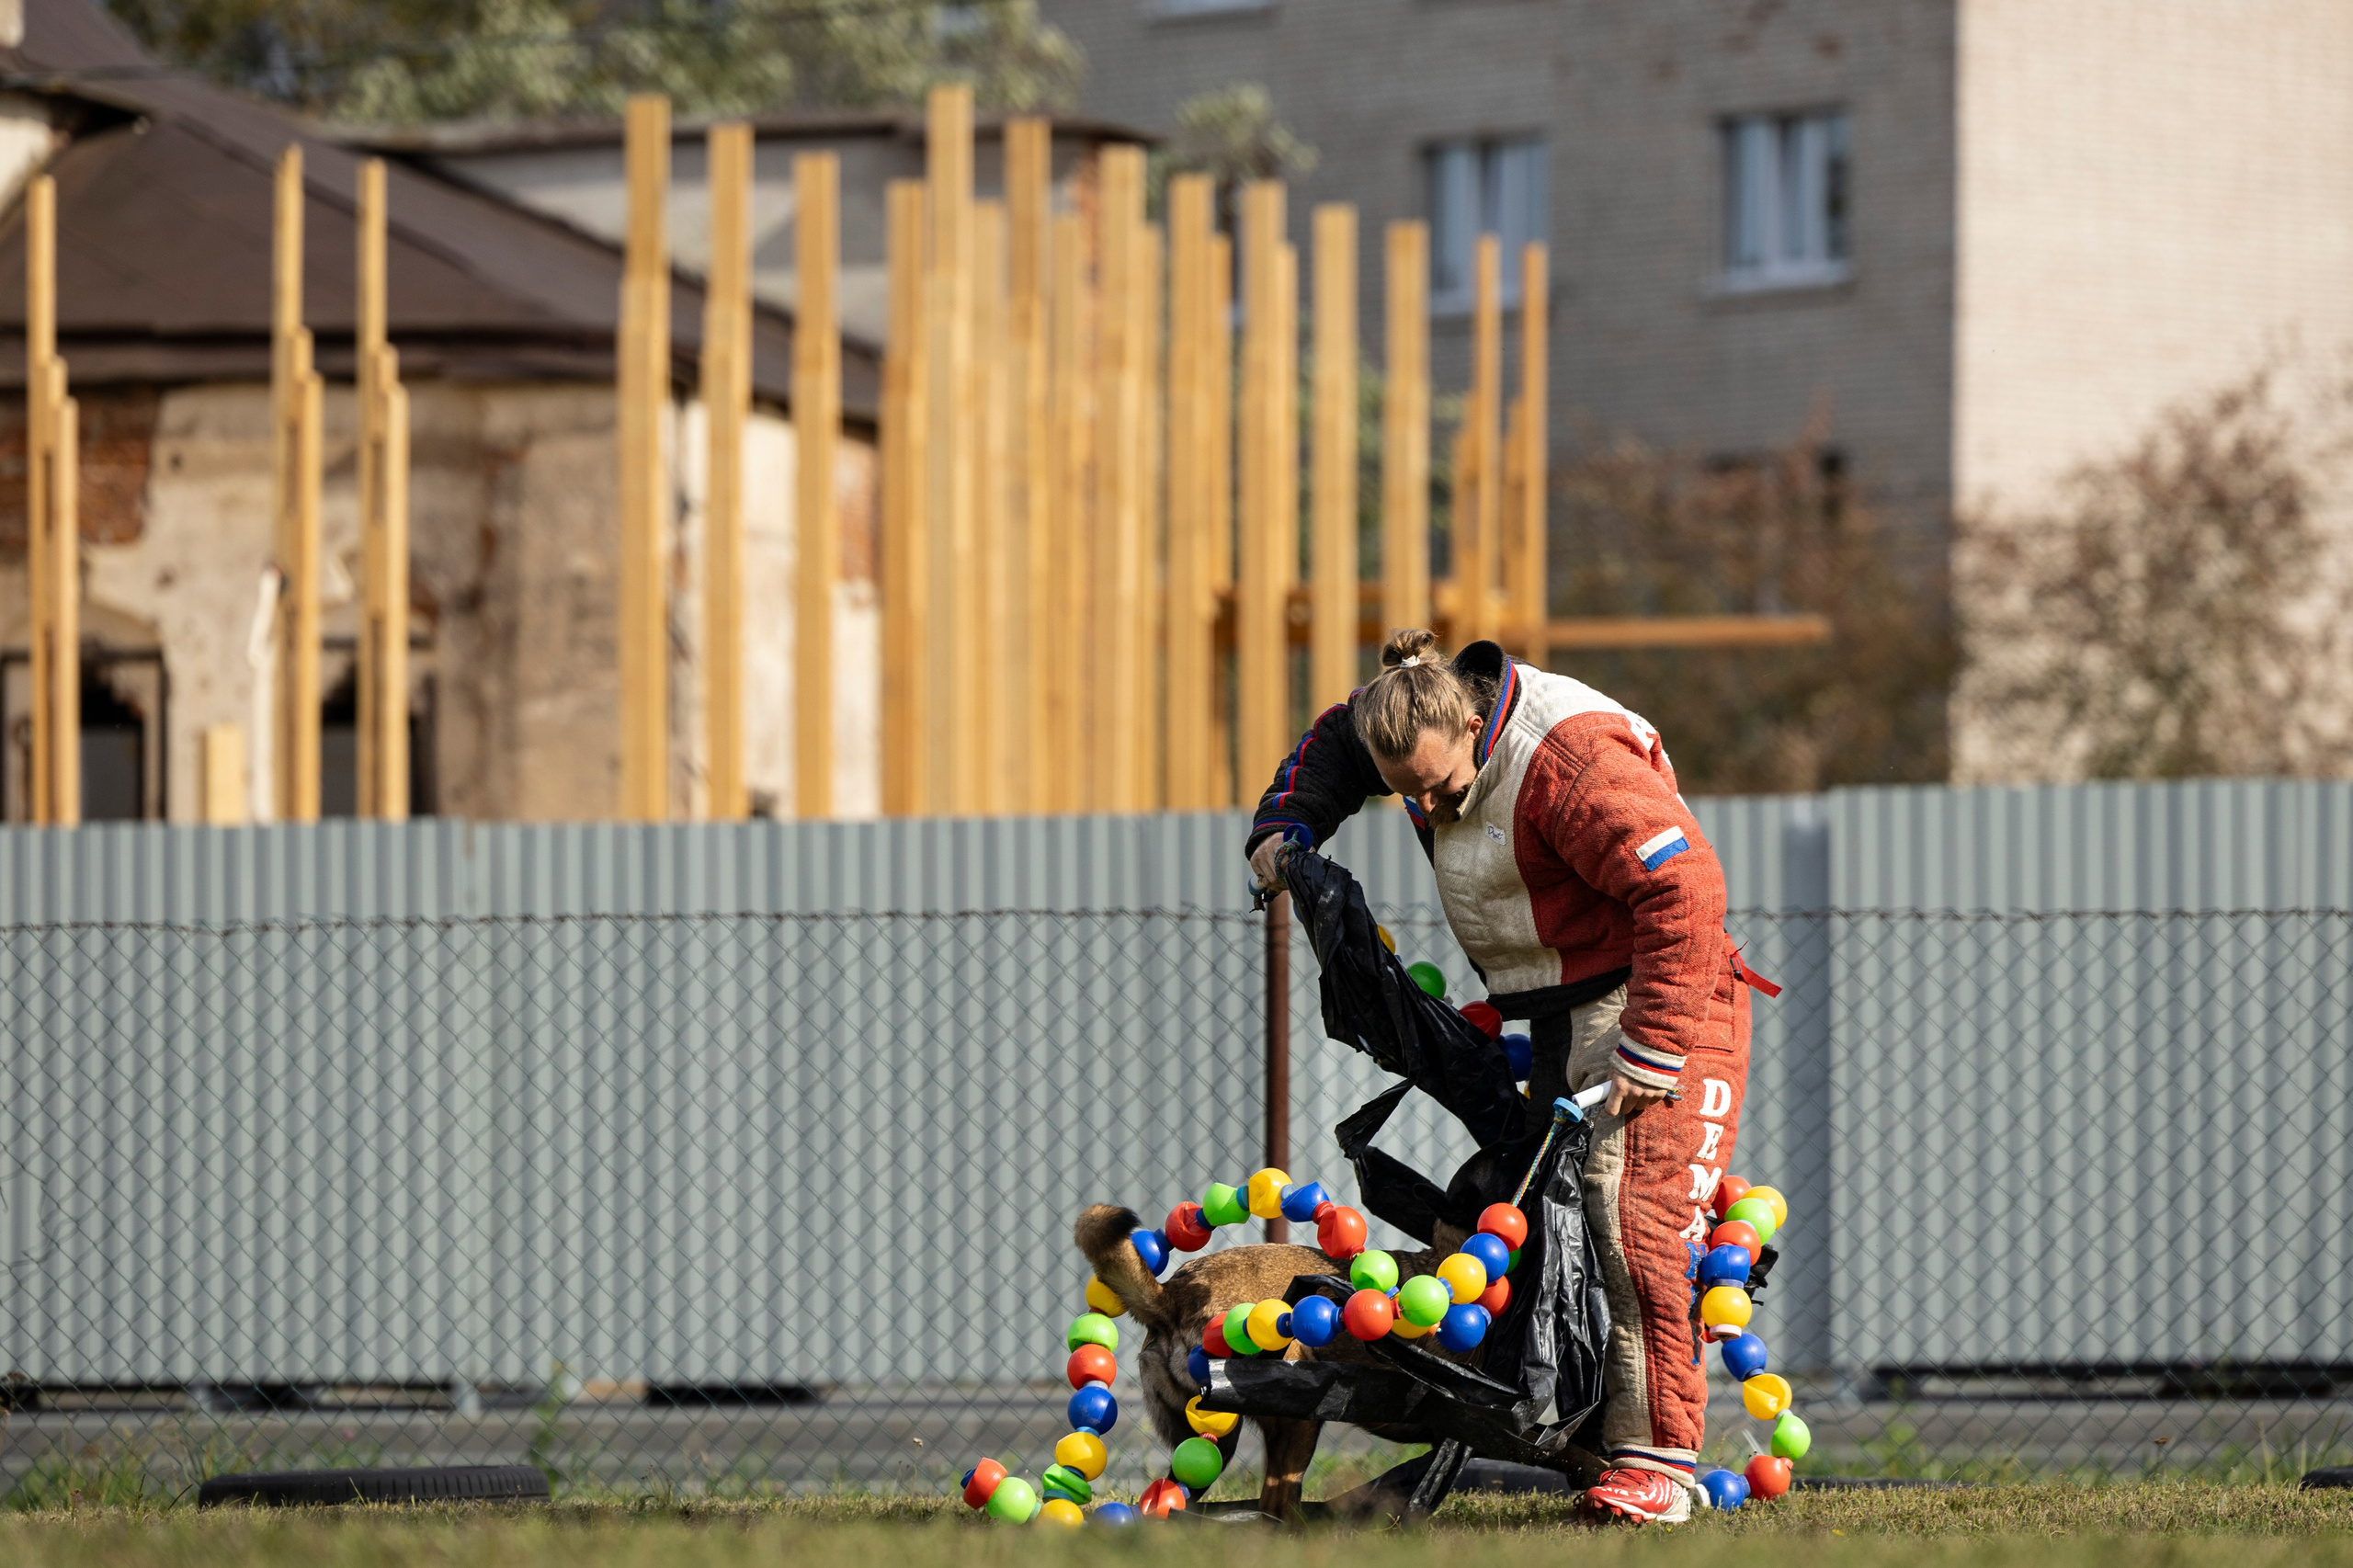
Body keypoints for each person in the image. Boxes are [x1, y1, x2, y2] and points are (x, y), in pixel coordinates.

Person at [1245, 628, 1758, 1525]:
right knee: (1558, 1235)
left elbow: (1687, 891)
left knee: (1631, 1218)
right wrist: (1284, 828)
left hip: (1664, 992)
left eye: (1441, 787)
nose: (1428, 807)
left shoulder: (1568, 762)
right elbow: (1333, 743)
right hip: (1559, 1012)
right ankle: (1590, 1445)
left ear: (1474, 725)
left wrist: (1652, 1044)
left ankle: (1660, 1469)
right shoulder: (1410, 724)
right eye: (1406, 793)